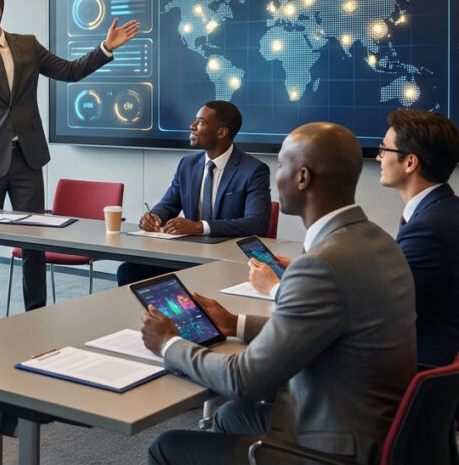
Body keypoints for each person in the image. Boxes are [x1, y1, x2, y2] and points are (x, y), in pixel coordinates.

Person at [140, 122, 416, 465]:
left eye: (281, 166)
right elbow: (323, 328)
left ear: (303, 178)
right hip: (376, 427)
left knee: (166, 446)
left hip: (331, 447)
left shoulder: (320, 265)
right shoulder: (380, 242)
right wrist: (234, 324)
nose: (275, 177)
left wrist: (168, 344)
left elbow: (244, 380)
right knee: (231, 416)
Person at [0, 0, 139, 322]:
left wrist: (106, 48)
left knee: (34, 241)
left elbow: (69, 71)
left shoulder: (27, 46)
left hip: (28, 159)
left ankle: (34, 315)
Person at [250, 109, 459, 367]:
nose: (378, 157)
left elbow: (377, 309)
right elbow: (386, 283)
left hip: (411, 368)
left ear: (410, 162)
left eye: (385, 150)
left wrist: (275, 287)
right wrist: (315, 274)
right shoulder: (444, 210)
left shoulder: (429, 229)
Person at [120, 101, 270, 285]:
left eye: (200, 122)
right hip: (188, 255)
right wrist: (154, 217)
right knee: (129, 271)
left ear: (221, 132)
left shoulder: (253, 170)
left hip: (229, 260)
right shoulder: (187, 165)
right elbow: (169, 204)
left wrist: (198, 226)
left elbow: (257, 223)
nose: (192, 126)